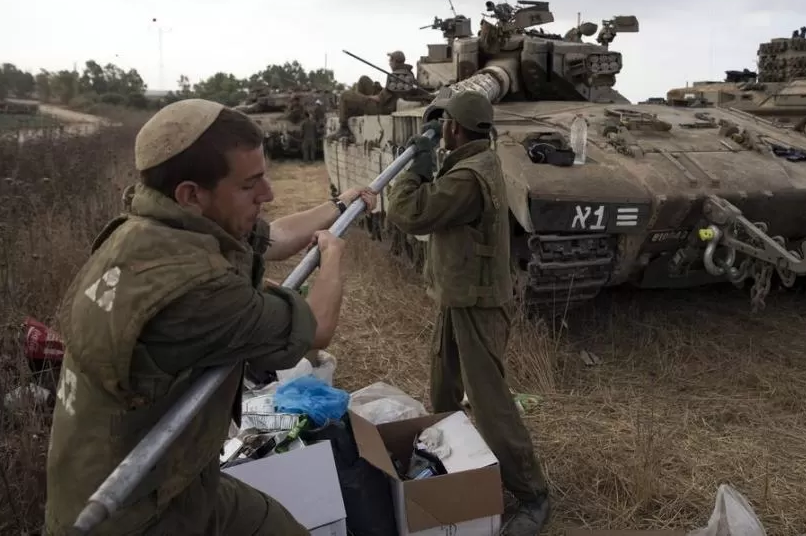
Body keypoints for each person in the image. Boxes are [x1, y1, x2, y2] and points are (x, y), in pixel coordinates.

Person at [44, 98, 376, 536]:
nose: (268, 194)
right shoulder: (194, 292)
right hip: (136, 511)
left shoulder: (155, 226)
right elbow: (316, 328)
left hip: (175, 478)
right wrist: (332, 255)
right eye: (249, 184)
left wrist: (338, 207)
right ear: (191, 194)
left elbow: (272, 237)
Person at [385, 91, 550, 536]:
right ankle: (452, 463)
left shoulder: (467, 177)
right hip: (461, 297)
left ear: (455, 128)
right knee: (443, 387)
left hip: (477, 303)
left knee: (490, 401)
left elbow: (411, 213)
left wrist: (417, 170)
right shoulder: (477, 161)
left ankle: (533, 493)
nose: (441, 132)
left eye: (444, 125)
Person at [330, 52, 419, 141]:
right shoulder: (406, 73)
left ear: (394, 61)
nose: (389, 63)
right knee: (363, 79)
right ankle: (359, 109)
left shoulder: (396, 76)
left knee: (345, 95)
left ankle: (344, 128)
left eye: (390, 60)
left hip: (382, 107)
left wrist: (367, 98)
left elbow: (380, 99)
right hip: (387, 101)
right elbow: (392, 92)